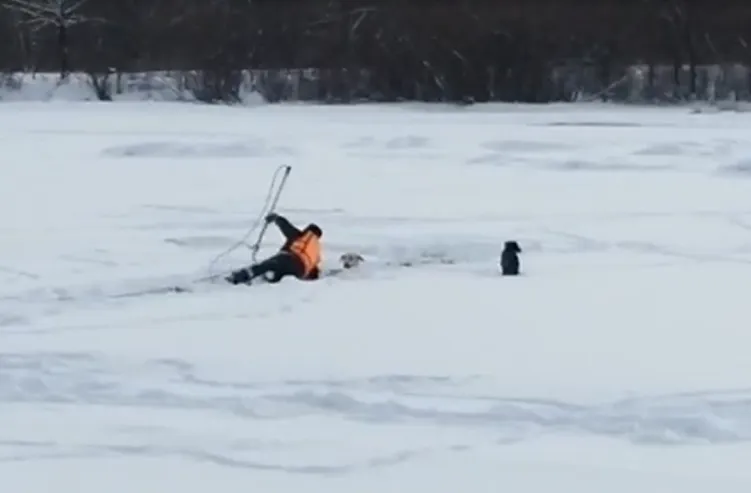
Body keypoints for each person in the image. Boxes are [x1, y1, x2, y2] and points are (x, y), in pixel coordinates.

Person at [226, 213, 322, 285]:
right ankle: (269, 279)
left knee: (266, 265)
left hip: (288, 259)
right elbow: (314, 272)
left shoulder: (302, 237)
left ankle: (238, 277)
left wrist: (276, 218)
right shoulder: (316, 251)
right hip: (298, 272)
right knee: (277, 275)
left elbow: (287, 227)